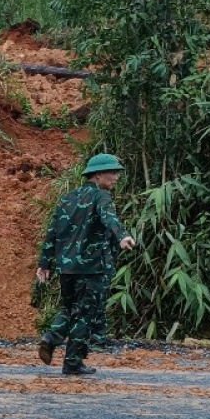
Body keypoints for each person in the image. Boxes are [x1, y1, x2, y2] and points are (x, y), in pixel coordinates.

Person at [36, 153, 137, 376]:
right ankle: (73, 362)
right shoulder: (101, 196)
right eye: (112, 172)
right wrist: (122, 236)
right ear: (98, 175)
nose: (116, 177)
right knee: (85, 314)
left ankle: (51, 337)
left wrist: (45, 262)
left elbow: (53, 231)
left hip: (66, 267)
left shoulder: (68, 198)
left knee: (69, 308)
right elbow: (109, 218)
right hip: (91, 268)